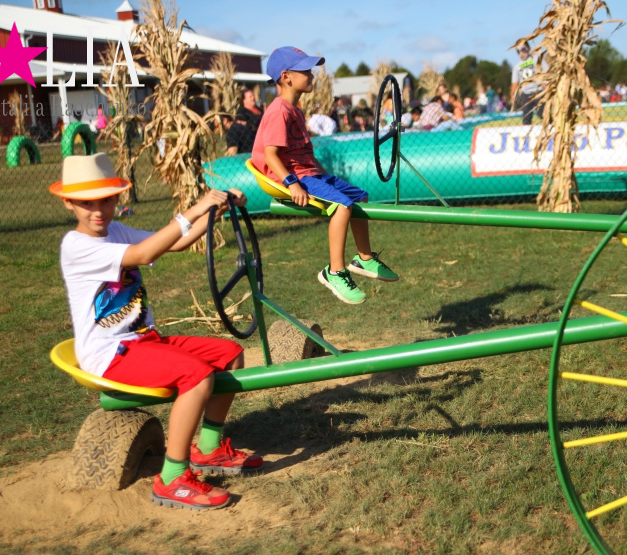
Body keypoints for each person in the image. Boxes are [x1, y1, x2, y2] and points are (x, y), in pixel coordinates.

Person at [52, 152, 262, 510]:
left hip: (142, 340)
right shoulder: (77, 245)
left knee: (229, 355)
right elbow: (143, 253)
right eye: (87, 203)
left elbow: (174, 243)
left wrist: (217, 210)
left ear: (117, 198)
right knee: (197, 377)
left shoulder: (115, 230)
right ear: (69, 202)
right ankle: (172, 478)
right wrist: (192, 210)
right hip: (110, 354)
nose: (98, 211)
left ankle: (208, 448)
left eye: (106, 200)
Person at [252, 46, 399, 305]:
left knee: (359, 197)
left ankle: (364, 259)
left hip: (311, 174)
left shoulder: (295, 111)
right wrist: (292, 184)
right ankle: (334, 272)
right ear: (286, 77)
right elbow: (271, 155)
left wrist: (324, 175)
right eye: (306, 71)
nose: (312, 75)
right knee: (342, 206)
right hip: (296, 178)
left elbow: (305, 154)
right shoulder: (279, 111)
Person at [511, 42, 543, 125]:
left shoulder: (536, 59)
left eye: (523, 49)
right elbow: (515, 83)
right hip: (525, 94)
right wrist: (513, 95)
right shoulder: (516, 66)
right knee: (526, 118)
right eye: (518, 51)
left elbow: (547, 72)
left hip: (538, 91)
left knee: (543, 114)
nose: (521, 53)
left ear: (528, 48)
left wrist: (546, 83)